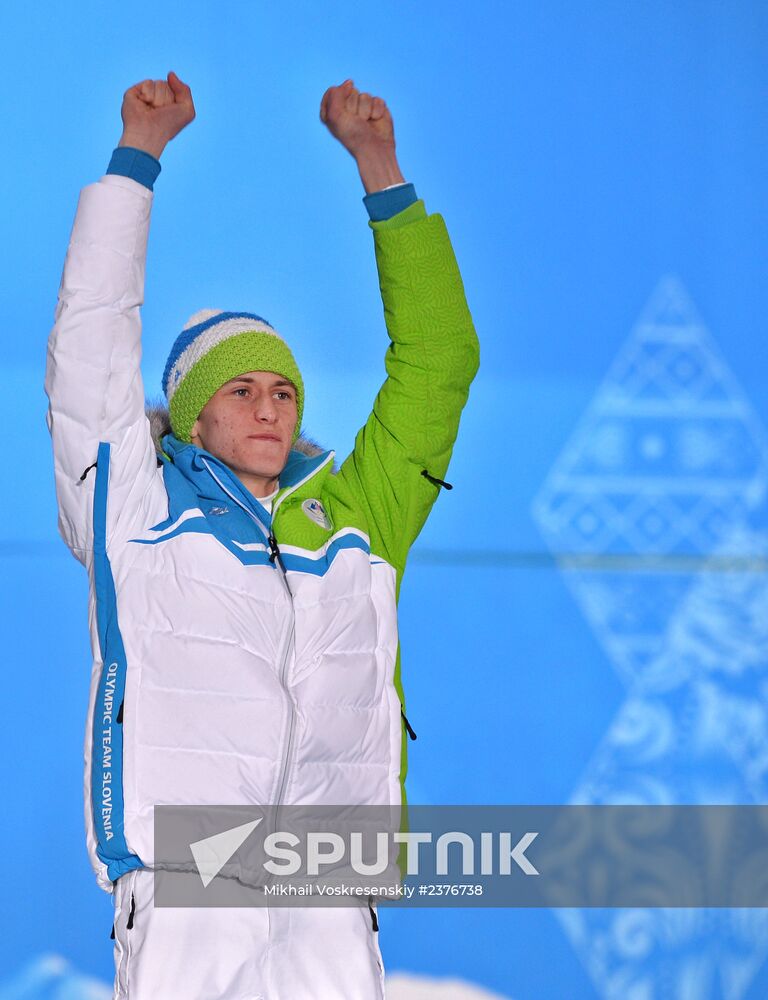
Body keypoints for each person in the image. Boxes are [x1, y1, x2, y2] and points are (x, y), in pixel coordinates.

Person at [45, 70, 479, 1000]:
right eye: (240, 389)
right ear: (192, 415)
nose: (270, 407)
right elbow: (89, 349)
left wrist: (381, 168)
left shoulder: (360, 512)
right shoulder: (133, 507)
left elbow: (440, 365)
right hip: (188, 882)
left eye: (284, 390)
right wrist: (137, 160)